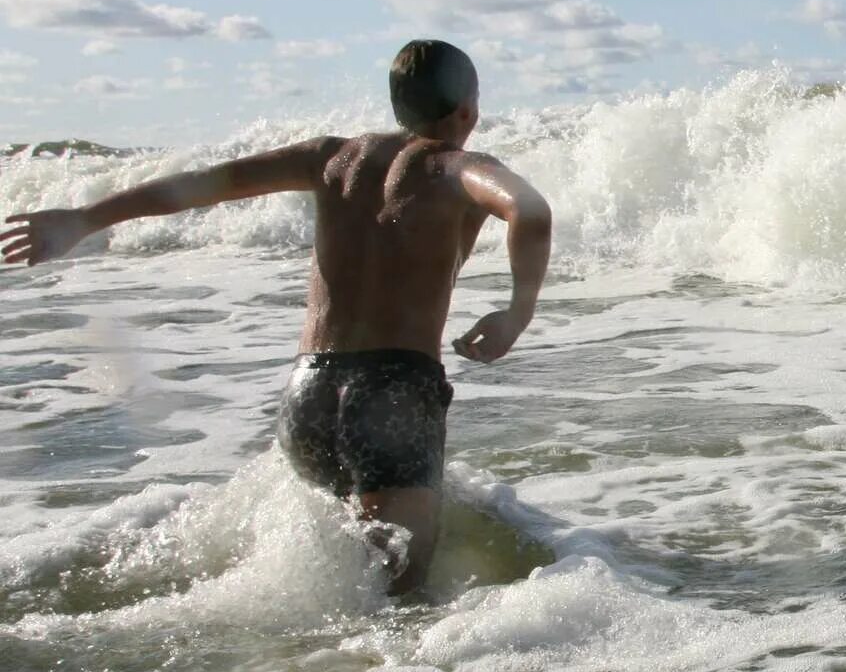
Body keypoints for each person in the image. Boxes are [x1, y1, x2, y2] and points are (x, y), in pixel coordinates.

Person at [2, 39, 551, 593]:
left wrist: (84, 219)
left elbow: (203, 186)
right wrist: (517, 312)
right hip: (393, 391)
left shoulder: (330, 158)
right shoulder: (458, 167)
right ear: (467, 110)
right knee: (397, 600)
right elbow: (528, 209)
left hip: (307, 393)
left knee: (341, 583)